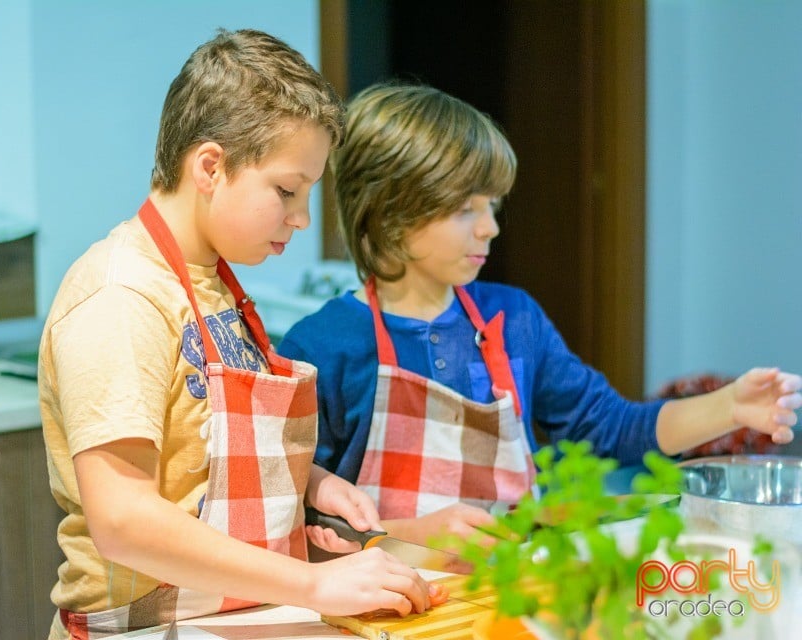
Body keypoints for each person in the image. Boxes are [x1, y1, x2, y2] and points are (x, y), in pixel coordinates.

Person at [277, 81, 802, 548]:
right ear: (390, 212)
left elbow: (613, 428)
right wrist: (400, 537)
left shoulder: (515, 321)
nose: (490, 229)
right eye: (467, 209)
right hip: (378, 605)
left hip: (512, 598)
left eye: (493, 207)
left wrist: (730, 407)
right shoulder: (322, 346)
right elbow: (292, 505)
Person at [39, 32, 435, 640]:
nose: (302, 218)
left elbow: (198, 447)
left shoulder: (215, 282)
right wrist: (311, 584)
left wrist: (309, 483)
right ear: (210, 167)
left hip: (234, 617)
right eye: (286, 191)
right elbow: (123, 520)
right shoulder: (121, 296)